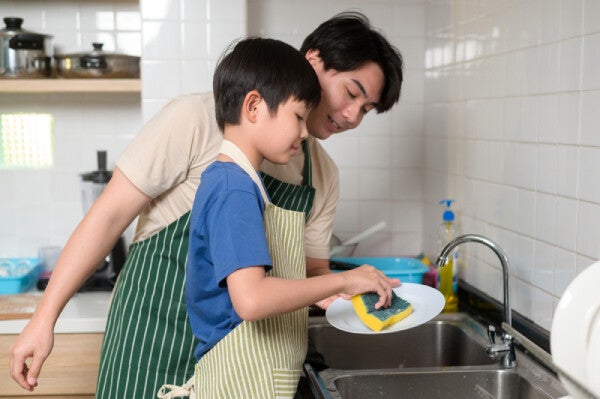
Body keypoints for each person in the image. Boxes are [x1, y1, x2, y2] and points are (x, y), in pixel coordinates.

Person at [9, 11, 403, 398]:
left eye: (366, 110)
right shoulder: (196, 121)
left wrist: (353, 291)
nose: (352, 116)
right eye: (352, 93)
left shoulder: (322, 174)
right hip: (153, 341)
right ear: (314, 60)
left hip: (236, 363)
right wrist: (44, 319)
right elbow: (108, 216)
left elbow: (310, 271)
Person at [178, 36, 397, 399]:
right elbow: (251, 300)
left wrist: (349, 289)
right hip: (238, 379)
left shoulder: (240, 180)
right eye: (297, 116)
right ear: (253, 106)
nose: (305, 131)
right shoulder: (234, 187)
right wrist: (341, 283)